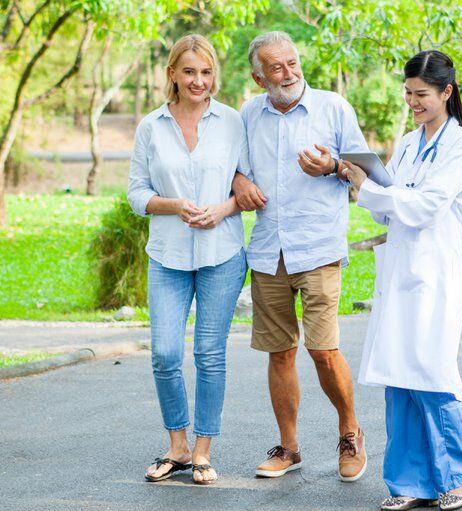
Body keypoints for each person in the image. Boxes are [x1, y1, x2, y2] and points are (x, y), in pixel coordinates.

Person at [342, 50, 462, 511]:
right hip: (401, 270)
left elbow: (426, 207)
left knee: (430, 371)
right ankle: (409, 482)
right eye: (407, 93)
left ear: (447, 92)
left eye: (421, 94)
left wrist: (373, 190)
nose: (412, 102)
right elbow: (390, 205)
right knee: (398, 374)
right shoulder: (406, 143)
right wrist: (362, 181)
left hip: (435, 273)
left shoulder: (460, 145)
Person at [231, 31, 369, 481]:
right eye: (276, 67)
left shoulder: (334, 107)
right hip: (269, 250)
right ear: (258, 77)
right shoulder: (248, 116)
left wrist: (333, 167)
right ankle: (289, 448)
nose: (288, 73)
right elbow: (231, 166)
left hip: (318, 247)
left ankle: (350, 432)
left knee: (324, 350)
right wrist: (238, 182)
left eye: (292, 62)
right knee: (279, 353)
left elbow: (367, 170)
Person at [127, 34, 249, 486]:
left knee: (209, 354)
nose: (198, 81)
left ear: (214, 75)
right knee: (163, 354)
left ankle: (202, 451)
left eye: (206, 72)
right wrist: (175, 205)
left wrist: (221, 208)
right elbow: (137, 193)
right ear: (172, 75)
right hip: (168, 254)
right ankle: (176, 446)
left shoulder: (233, 123)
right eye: (189, 72)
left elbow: (248, 185)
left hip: (222, 254)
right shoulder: (150, 126)